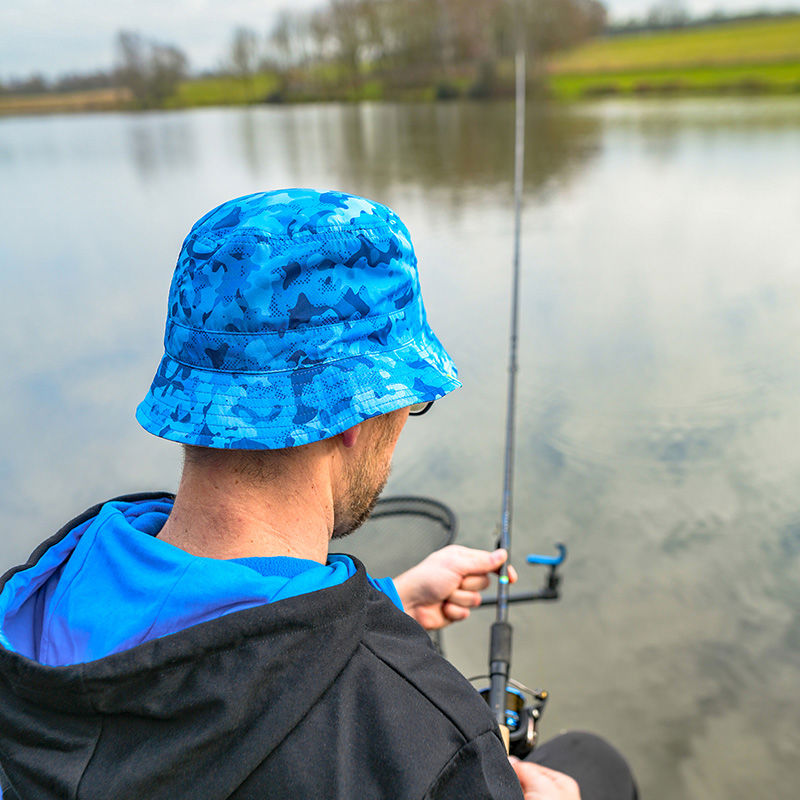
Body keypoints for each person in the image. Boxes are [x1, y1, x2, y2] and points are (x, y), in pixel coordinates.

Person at [0, 189, 635, 799]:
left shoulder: (37, 599)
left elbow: (193, 666)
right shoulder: (431, 742)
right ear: (358, 414)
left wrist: (396, 600)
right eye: (412, 403)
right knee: (592, 763)